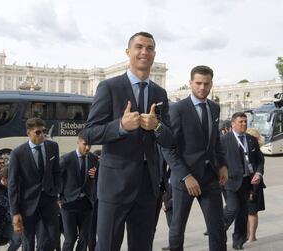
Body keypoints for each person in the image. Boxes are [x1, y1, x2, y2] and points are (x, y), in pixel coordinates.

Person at [82, 31, 173, 251]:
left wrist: (157, 126)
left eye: (149, 48)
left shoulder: (160, 93)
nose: (144, 52)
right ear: (128, 52)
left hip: (148, 186)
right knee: (108, 246)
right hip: (115, 185)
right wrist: (120, 126)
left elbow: (171, 140)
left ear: (154, 54)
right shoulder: (109, 87)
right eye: (139, 47)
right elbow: (89, 133)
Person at [162, 65, 228, 251]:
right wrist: (185, 176)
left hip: (210, 176)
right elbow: (167, 148)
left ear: (211, 84)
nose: (202, 87)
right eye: (198, 83)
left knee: (217, 228)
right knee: (177, 228)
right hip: (184, 179)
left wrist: (222, 164)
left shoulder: (214, 108)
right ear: (190, 83)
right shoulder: (177, 109)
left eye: (206, 84)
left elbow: (215, 141)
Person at [8, 117, 61, 251]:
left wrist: (57, 194)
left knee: (51, 239)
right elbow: (13, 184)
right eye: (38, 132)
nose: (42, 135)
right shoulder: (17, 154)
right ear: (28, 133)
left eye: (44, 131)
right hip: (27, 205)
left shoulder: (53, 147)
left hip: (49, 201)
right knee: (28, 242)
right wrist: (15, 213)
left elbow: (56, 172)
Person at [221, 114, 264, 250]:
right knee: (233, 208)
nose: (244, 124)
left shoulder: (251, 139)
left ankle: (238, 241)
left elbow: (259, 160)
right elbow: (217, 159)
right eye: (241, 122)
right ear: (233, 124)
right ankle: (218, 228)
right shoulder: (224, 140)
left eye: (245, 121)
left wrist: (258, 173)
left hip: (247, 182)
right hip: (230, 181)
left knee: (243, 213)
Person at [59, 132, 98, 251]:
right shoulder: (66, 159)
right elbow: (57, 178)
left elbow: (99, 179)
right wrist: (58, 198)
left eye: (90, 145)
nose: (87, 148)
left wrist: (97, 174)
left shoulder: (93, 158)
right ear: (78, 142)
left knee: (84, 238)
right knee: (70, 239)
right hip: (69, 204)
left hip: (87, 203)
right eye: (85, 144)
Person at [245, 127, 266, 243]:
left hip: (254, 185)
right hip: (246, 184)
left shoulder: (257, 153)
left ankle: (252, 236)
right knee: (247, 211)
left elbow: (259, 166)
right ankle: (248, 235)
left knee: (252, 211)